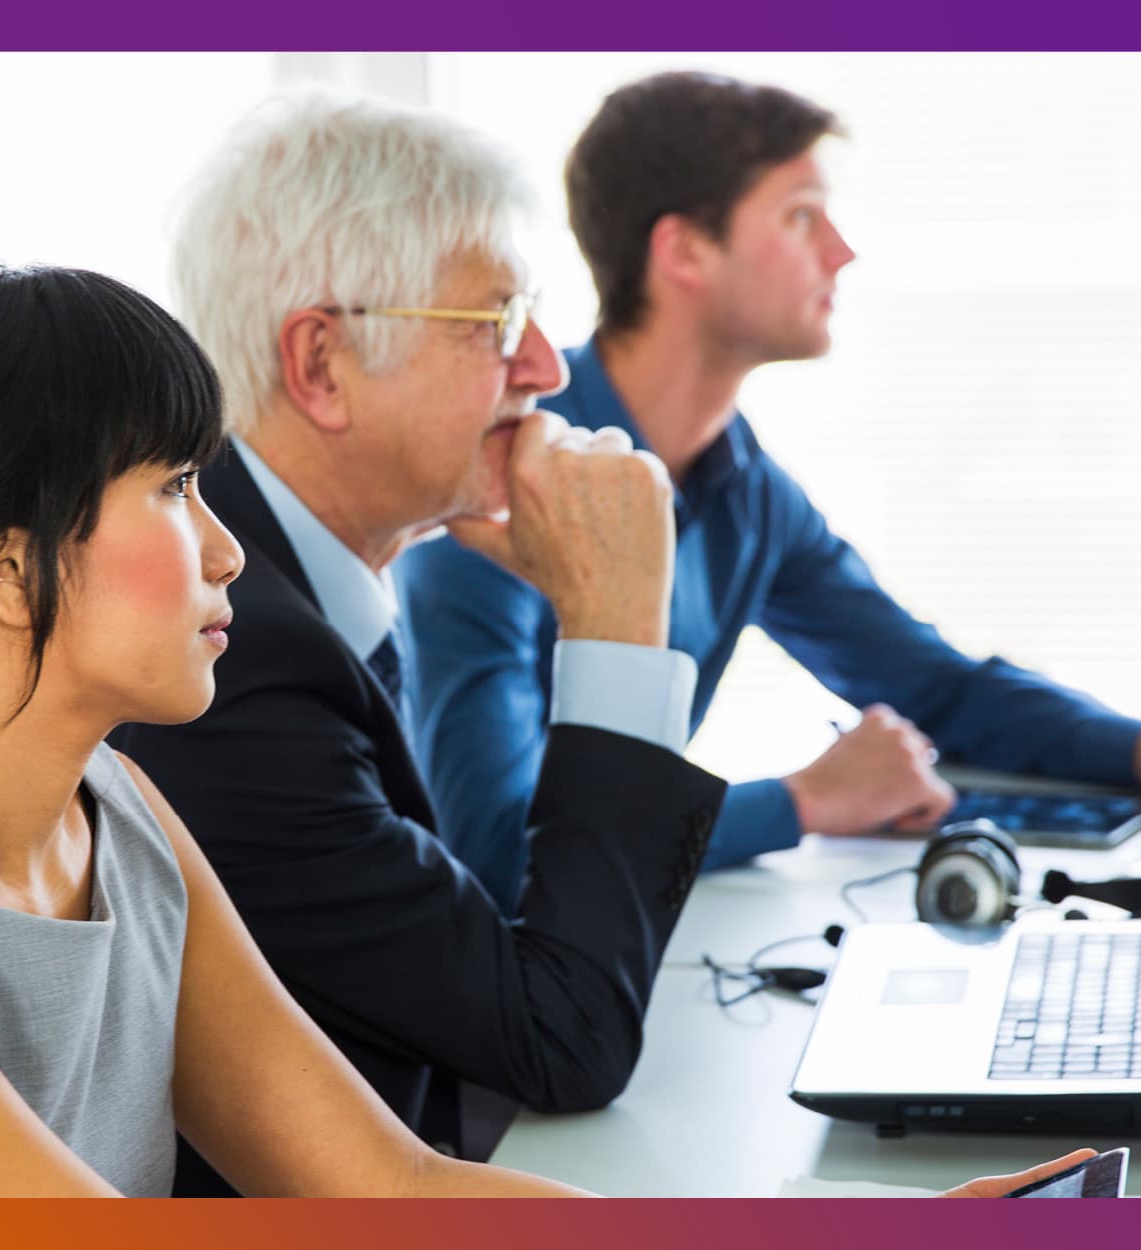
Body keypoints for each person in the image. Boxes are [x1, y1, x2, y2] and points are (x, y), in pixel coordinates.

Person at [109, 92, 1084, 1197]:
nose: (544, 367)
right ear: (323, 364)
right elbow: (562, 1040)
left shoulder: (299, 596)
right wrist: (619, 620)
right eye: (493, 322)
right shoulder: (238, 660)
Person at [0, 241, 598, 1197]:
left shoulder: (116, 808)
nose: (227, 555)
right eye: (175, 489)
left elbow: (392, 1186)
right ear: (8, 567)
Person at [397, 71, 1141, 913]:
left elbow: (935, 687)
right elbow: (494, 851)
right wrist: (802, 802)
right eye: (802, 216)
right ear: (685, 252)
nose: (842, 251)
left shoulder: (743, 487)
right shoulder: (492, 492)